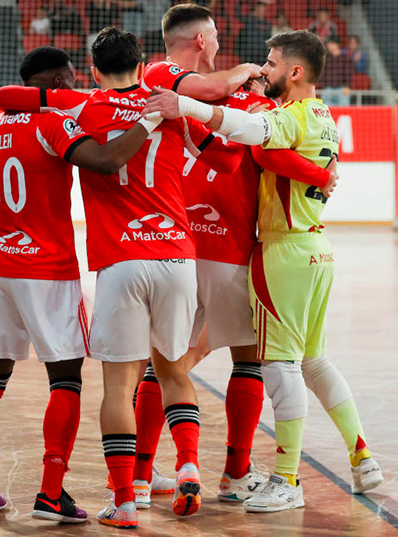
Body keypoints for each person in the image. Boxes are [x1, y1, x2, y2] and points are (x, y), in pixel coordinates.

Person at [0, 28, 247, 528]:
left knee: (119, 386)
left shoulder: (81, 106)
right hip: (177, 257)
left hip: (120, 261)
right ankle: (189, 466)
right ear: (142, 64)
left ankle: (125, 501)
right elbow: (229, 160)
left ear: (92, 69)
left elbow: (9, 98)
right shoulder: (170, 107)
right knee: (174, 372)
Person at [144, 29, 384, 512]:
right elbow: (264, 150)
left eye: (271, 63)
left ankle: (286, 479)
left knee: (272, 365)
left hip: (280, 252)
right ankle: (362, 457)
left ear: (294, 71)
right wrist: (319, 174)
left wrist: (185, 108)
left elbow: (251, 139)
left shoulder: (285, 115)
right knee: (313, 362)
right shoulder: (323, 115)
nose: (262, 68)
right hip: (316, 249)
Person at [0, 44, 155, 524]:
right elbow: (106, 161)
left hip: (2, 264)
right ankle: (51, 494)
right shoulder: (52, 123)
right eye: (68, 80)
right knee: (66, 379)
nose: (74, 88)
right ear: (52, 83)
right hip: (47, 268)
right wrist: (148, 120)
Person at [318, 38, 353, 105]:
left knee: (343, 109)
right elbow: (322, 74)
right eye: (328, 44)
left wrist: (347, 87)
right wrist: (324, 86)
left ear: (337, 44)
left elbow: (349, 73)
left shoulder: (345, 58)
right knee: (327, 109)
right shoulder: (326, 58)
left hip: (342, 89)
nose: (328, 45)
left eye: (331, 43)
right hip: (328, 89)